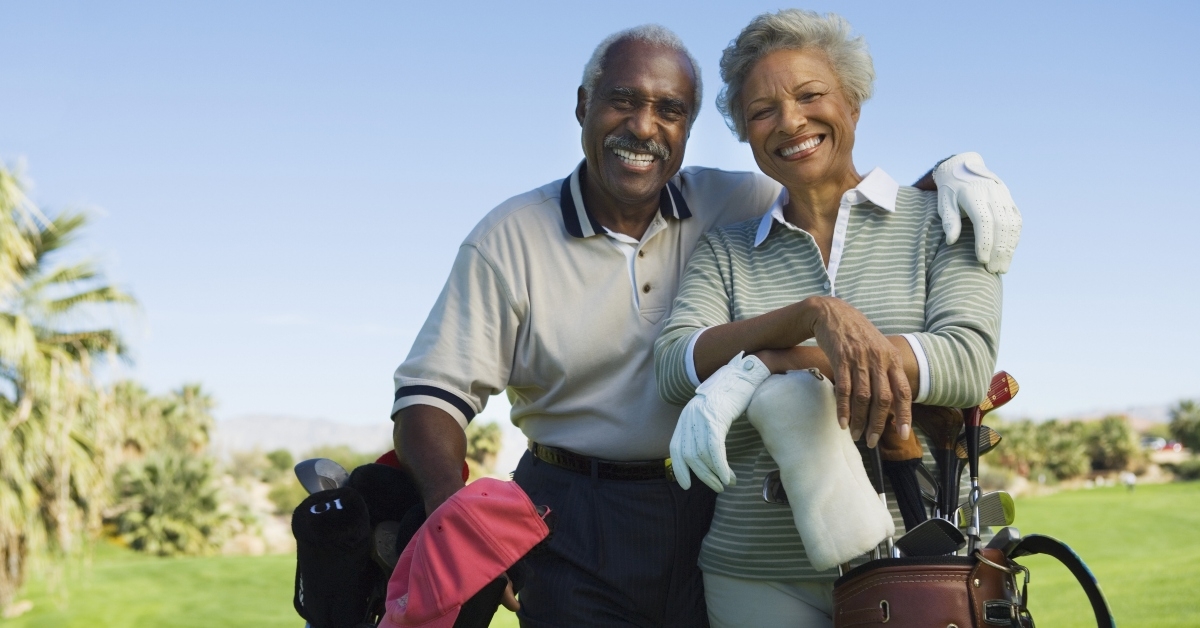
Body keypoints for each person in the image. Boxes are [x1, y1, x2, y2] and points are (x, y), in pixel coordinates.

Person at [391, 23, 1018, 628]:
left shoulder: (733, 202)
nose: (644, 127)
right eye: (623, 100)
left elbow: (840, 192)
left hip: (701, 498)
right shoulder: (513, 236)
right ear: (583, 106)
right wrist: (453, 517)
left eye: (669, 110)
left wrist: (955, 168)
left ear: (689, 127)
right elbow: (432, 395)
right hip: (574, 505)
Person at [654, 10, 1005, 627]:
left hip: (916, 564)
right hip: (755, 572)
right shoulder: (726, 249)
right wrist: (812, 316)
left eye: (811, 95)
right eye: (763, 110)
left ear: (853, 103)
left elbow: (964, 363)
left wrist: (769, 363)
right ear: (746, 131)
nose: (790, 121)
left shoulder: (942, 219)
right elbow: (676, 365)